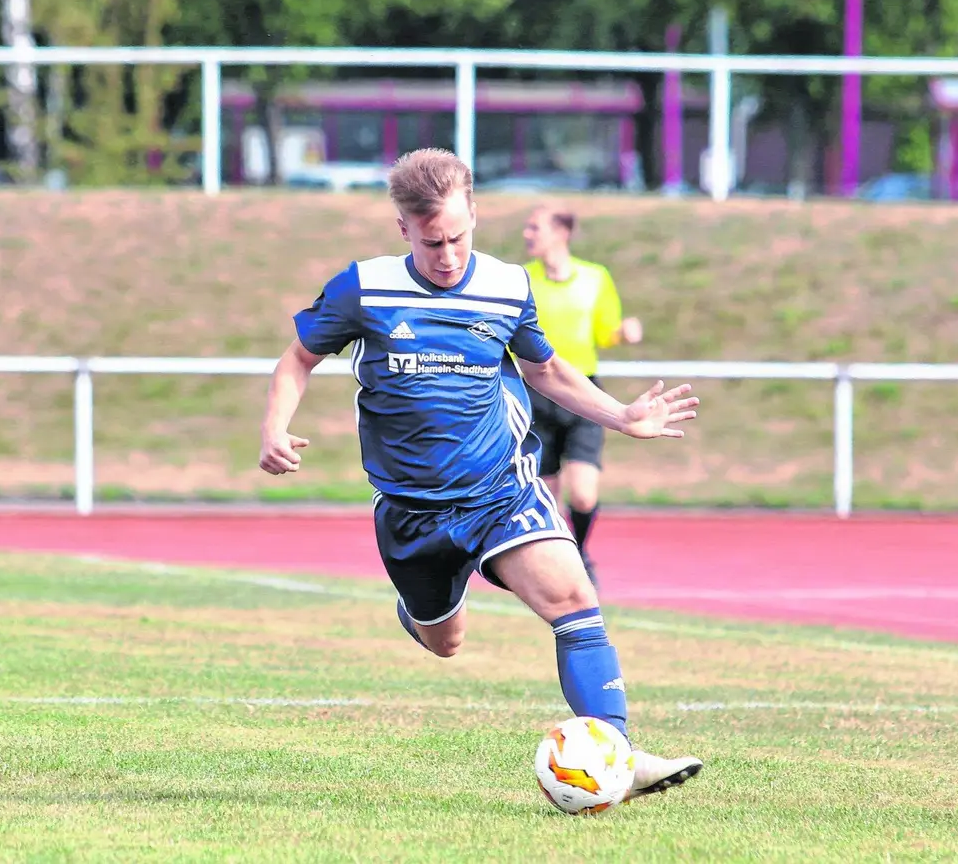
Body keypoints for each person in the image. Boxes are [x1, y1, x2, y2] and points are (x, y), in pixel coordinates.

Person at [258, 148, 704, 802]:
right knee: (446, 642)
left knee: (576, 602)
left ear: (475, 215)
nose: (448, 255)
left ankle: (617, 751)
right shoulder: (365, 287)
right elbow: (297, 360)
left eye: (459, 237)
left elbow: (545, 370)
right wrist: (273, 428)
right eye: (433, 241)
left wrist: (621, 415)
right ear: (404, 229)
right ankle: (424, 609)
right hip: (411, 513)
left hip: (499, 489)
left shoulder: (505, 286)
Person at [520, 206, 642, 587]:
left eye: (534, 227)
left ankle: (581, 553)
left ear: (561, 232)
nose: (527, 234)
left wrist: (623, 332)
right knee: (547, 497)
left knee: (584, 495)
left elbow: (604, 332)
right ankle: (560, 568)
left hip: (584, 393)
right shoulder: (522, 279)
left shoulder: (594, 278)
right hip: (536, 394)